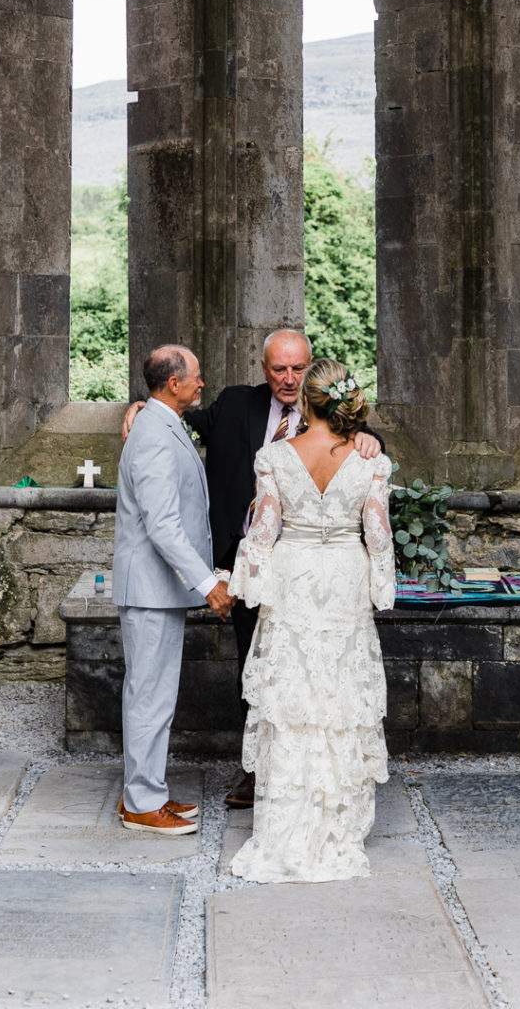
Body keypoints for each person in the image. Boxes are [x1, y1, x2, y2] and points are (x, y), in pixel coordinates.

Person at [121, 328, 382, 809]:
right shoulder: (236, 403)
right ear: (264, 369)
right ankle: (258, 770)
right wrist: (142, 407)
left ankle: (319, 769)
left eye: (298, 369)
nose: (289, 379)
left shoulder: (332, 420)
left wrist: (364, 435)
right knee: (257, 666)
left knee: (317, 668)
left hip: (312, 569)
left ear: (311, 369)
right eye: (279, 369)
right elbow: (181, 417)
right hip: (244, 562)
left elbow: (360, 452)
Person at [226, 358, 395, 883]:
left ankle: (286, 817)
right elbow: (378, 533)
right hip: (343, 575)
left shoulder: (274, 456)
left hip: (294, 574)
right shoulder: (371, 463)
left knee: (293, 690)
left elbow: (266, 527)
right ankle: (337, 822)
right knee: (338, 691)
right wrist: (381, 585)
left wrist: (243, 581)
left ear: (306, 401)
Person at [113, 344, 231, 835]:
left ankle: (148, 792)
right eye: (196, 378)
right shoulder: (155, 435)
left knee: (157, 695)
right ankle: (140, 804)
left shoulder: (158, 422)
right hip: (150, 589)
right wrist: (207, 582)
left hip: (157, 590)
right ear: (174, 384)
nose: (202, 385)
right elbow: (162, 525)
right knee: (148, 695)